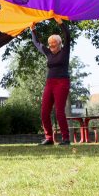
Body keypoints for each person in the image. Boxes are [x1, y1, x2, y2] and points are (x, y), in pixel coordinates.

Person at [30, 17, 71, 146]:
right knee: (44, 111)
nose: (51, 46)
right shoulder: (48, 53)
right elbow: (36, 43)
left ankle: (66, 138)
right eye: (50, 44)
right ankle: (49, 138)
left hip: (62, 82)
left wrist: (61, 23)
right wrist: (33, 30)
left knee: (59, 111)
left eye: (54, 43)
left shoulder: (65, 51)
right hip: (50, 83)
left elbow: (68, 36)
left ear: (59, 44)